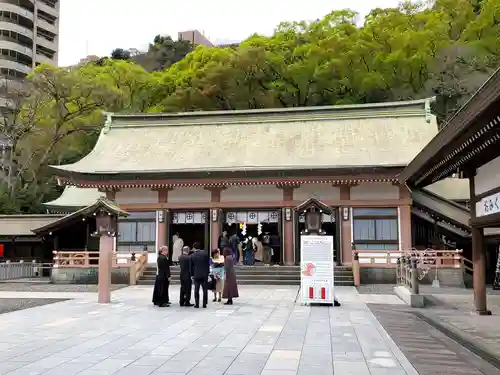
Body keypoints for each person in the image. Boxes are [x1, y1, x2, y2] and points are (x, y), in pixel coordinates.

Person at [190, 241, 210, 308]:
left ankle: (197, 304)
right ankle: (204, 304)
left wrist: (192, 275)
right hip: (204, 274)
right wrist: (208, 272)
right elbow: (208, 264)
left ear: (194, 248)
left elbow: (191, 267)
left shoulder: (192, 256)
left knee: (196, 290)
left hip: (196, 274)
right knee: (205, 290)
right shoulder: (205, 254)